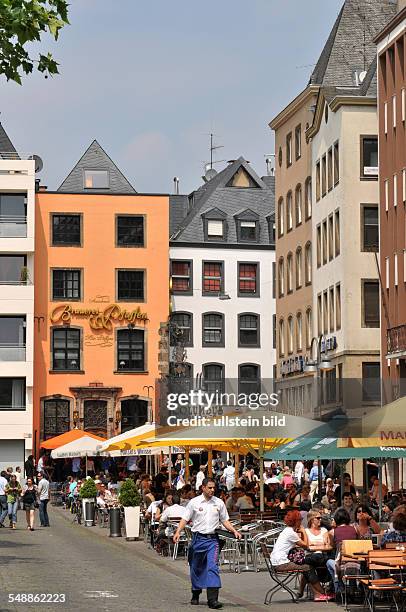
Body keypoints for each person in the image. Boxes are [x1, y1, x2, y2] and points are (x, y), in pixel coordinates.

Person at [173, 478, 242, 609]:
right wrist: (177, 532)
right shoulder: (194, 502)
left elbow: (225, 520)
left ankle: (213, 600)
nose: (212, 490)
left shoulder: (219, 503)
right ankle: (196, 592)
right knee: (196, 567)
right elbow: (185, 518)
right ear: (203, 488)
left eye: (213, 488)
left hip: (212, 540)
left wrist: (234, 531)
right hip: (198, 539)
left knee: (212, 567)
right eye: (209, 488)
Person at [270, 510, 332, 601]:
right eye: (300, 519)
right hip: (281, 563)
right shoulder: (291, 533)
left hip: (277, 561)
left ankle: (316, 594)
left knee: (307, 566)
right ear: (296, 521)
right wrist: (303, 531)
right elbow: (305, 545)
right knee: (307, 567)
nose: (301, 522)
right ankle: (322, 592)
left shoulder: (287, 531)